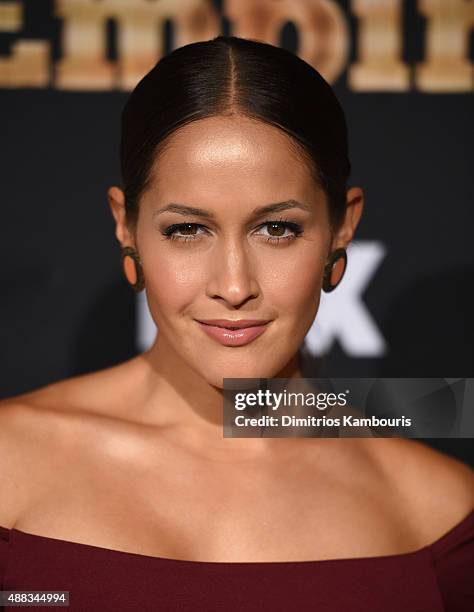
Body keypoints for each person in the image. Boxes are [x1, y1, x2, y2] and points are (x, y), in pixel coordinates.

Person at [0, 35, 473, 612]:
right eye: (186, 230)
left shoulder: (441, 513)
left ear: (342, 227)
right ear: (126, 226)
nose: (233, 285)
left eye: (277, 229)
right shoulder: (10, 462)